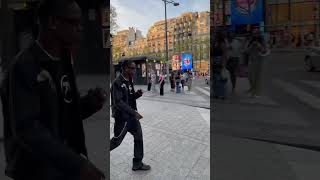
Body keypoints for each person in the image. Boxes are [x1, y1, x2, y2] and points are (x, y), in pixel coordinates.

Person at [0, 1, 107, 180]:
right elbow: (27, 129)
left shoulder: (63, 61)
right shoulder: (24, 67)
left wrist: (89, 104)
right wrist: (78, 166)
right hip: (35, 172)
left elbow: (61, 114)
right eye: (74, 22)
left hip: (60, 167)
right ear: (53, 23)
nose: (80, 28)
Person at [110, 60, 151, 171]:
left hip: (132, 118)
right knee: (116, 141)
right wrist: (134, 113)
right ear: (125, 69)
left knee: (138, 136)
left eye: (134, 68)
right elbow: (118, 102)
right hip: (122, 118)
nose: (134, 70)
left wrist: (137, 94)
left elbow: (129, 98)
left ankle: (137, 163)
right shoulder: (117, 83)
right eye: (132, 68)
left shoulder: (129, 80)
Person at [244, 33, 269, 98]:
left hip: (259, 62)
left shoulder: (262, 43)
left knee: (257, 78)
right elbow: (246, 51)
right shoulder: (251, 43)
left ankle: (256, 92)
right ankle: (252, 89)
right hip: (251, 62)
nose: (255, 39)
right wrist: (251, 46)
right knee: (250, 77)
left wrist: (259, 46)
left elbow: (265, 51)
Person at [212, 33, 228, 99]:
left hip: (220, 62)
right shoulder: (215, 44)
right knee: (215, 79)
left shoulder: (222, 44)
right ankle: (216, 93)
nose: (213, 37)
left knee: (220, 79)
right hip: (215, 63)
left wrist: (223, 65)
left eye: (214, 36)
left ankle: (221, 94)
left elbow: (224, 55)